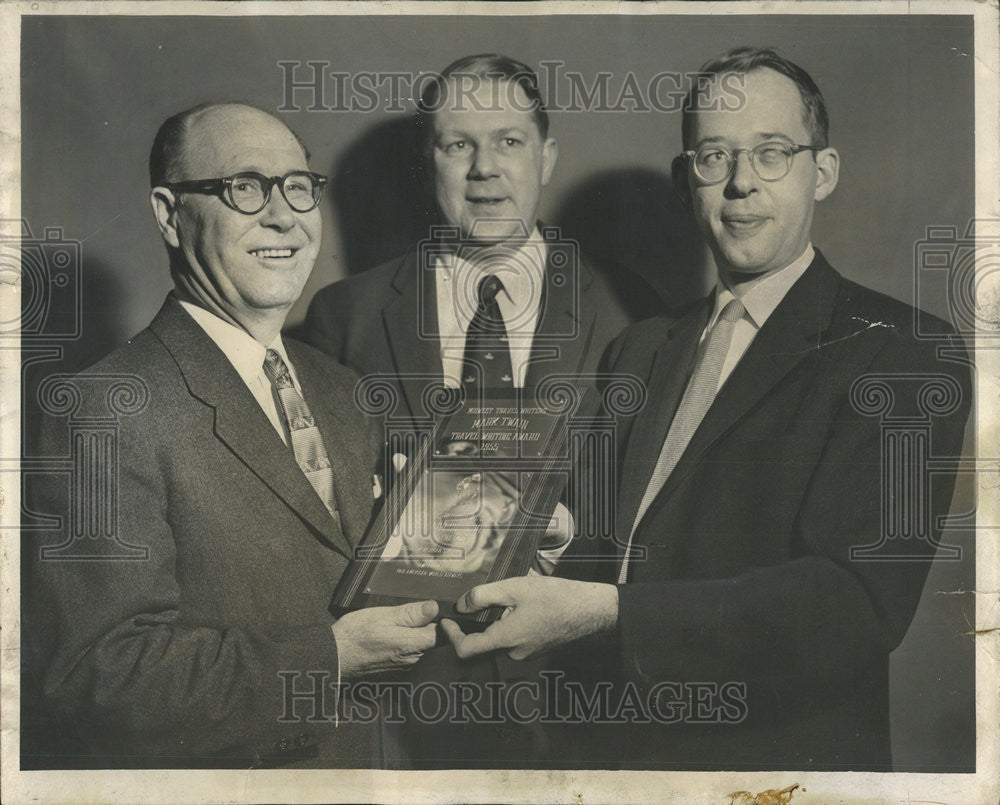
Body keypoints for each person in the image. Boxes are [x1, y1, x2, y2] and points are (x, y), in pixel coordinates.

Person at [442, 47, 972, 770]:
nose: (741, 183)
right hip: (613, 761)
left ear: (824, 171)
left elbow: (851, 605)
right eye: (714, 156)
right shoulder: (643, 347)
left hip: (777, 769)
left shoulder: (904, 352)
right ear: (684, 180)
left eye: (772, 153)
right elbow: (607, 544)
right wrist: (520, 541)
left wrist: (608, 612)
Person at [24, 103, 439, 768]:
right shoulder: (102, 409)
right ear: (168, 213)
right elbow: (102, 680)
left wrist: (497, 549)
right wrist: (329, 660)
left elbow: (366, 590)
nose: (284, 215)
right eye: (245, 187)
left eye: (299, 186)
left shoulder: (340, 387)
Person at [302, 53, 658, 420]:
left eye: (509, 142)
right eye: (458, 145)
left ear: (546, 160)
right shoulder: (343, 317)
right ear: (426, 168)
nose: (484, 168)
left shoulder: (633, 310)